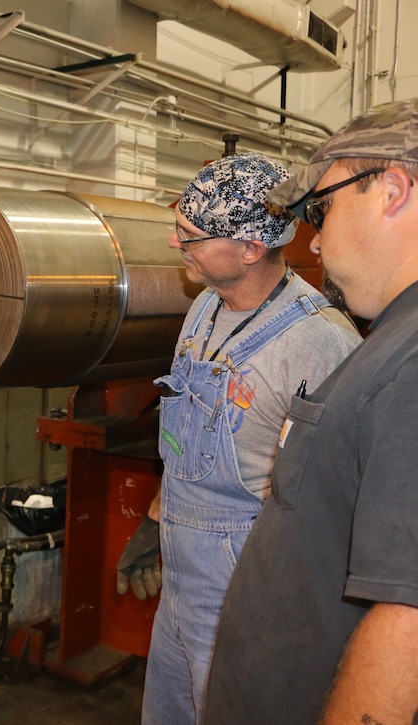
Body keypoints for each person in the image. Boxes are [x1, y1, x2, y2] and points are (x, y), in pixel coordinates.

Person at [114, 152, 361, 724]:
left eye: (192, 235)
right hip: (180, 564)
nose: (177, 244)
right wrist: (155, 519)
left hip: (243, 578)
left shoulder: (316, 344)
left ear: (251, 248)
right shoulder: (203, 308)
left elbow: (322, 503)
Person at [204, 99, 418, 724]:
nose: (316, 239)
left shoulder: (410, 361)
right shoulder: (393, 340)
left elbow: (407, 620)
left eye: (322, 209)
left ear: (393, 191)